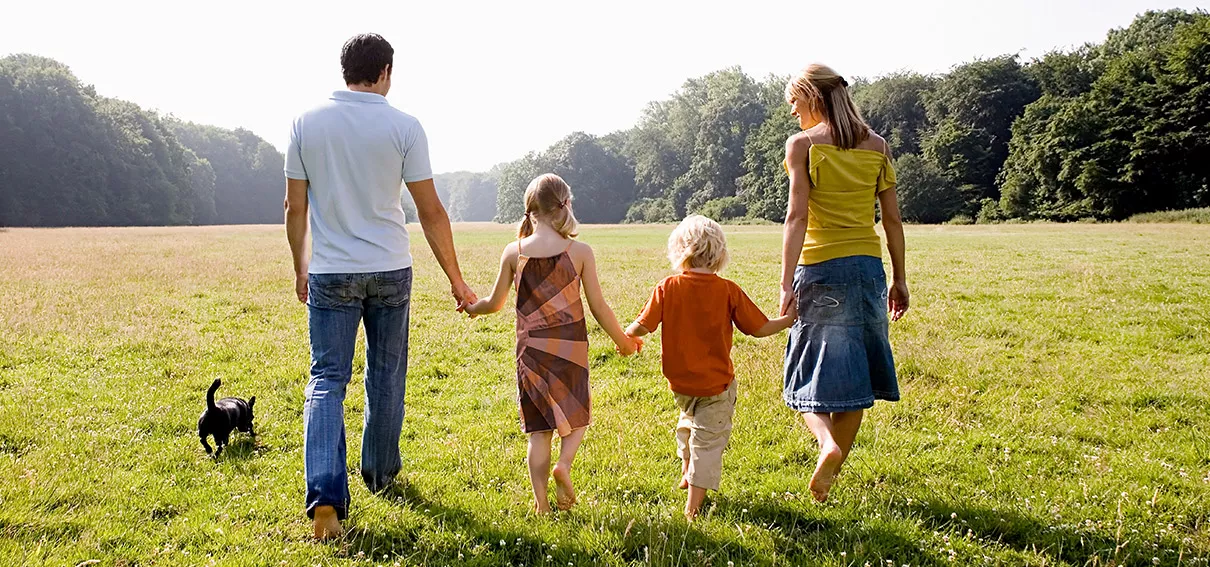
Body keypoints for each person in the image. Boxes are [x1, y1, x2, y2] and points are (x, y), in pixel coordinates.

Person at [283, 33, 477, 539]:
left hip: (330, 270)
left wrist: (300, 266)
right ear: (386, 71)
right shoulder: (404, 126)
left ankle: (325, 502)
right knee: (386, 375)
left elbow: (294, 209)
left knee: (327, 379)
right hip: (391, 268)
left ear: (343, 69)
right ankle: (380, 476)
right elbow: (431, 212)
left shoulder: (306, 122)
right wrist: (457, 281)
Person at [464, 173, 640, 514]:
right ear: (565, 207)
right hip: (570, 348)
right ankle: (565, 465)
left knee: (538, 432)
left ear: (531, 212)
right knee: (578, 418)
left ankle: (542, 504)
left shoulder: (514, 252)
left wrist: (473, 308)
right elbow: (599, 307)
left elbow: (495, 303)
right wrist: (623, 341)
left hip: (530, 353)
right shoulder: (580, 252)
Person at [779, 63, 909, 503]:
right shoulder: (878, 146)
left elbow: (796, 217)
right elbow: (891, 219)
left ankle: (826, 444)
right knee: (858, 371)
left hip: (820, 267)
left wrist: (784, 282)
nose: (793, 113)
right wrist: (900, 278)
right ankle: (829, 479)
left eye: (795, 103)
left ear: (813, 98)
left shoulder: (803, 146)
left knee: (805, 365)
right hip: (868, 269)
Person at [625, 215, 796, 519]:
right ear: (720, 255)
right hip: (717, 386)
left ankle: (686, 470)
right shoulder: (728, 290)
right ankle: (692, 510)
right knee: (707, 442)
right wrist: (788, 320)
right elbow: (758, 328)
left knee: (688, 423)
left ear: (679, 252)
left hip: (680, 385)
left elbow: (641, 326)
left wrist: (625, 336)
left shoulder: (667, 287)